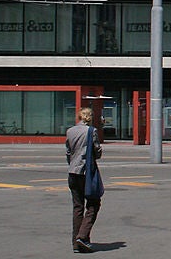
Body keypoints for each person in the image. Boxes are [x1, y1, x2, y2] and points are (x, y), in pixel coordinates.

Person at [66, 107, 102, 253]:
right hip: (85, 172)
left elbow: (68, 152)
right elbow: (97, 151)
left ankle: (76, 243)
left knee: (77, 207)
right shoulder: (91, 131)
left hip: (72, 172)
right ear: (90, 117)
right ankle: (82, 237)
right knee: (94, 204)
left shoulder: (70, 131)